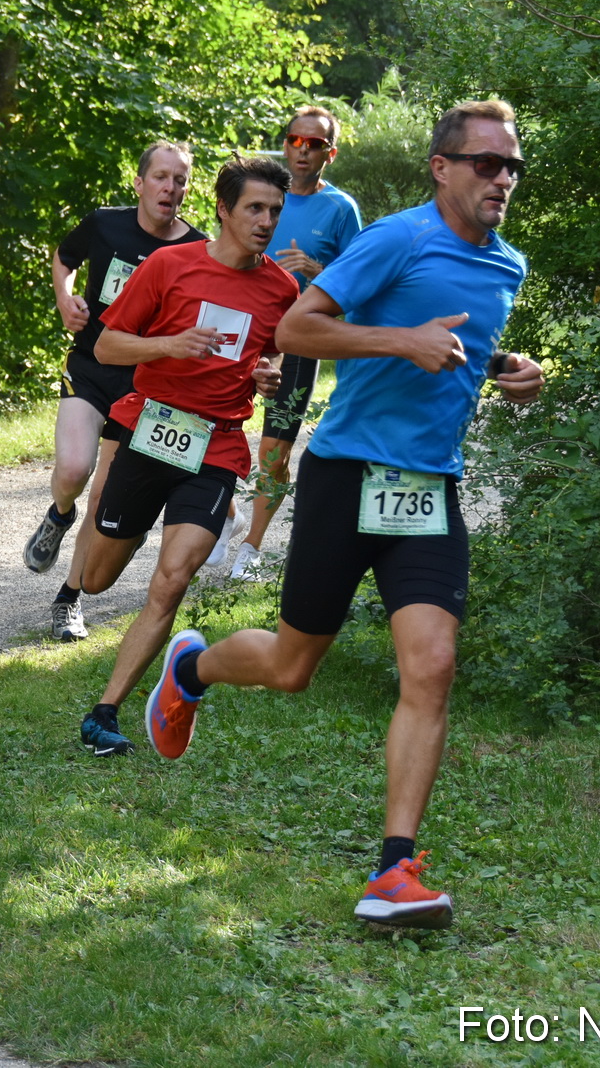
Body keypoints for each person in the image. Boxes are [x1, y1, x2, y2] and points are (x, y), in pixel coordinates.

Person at [140, 100, 545, 929]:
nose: (501, 178)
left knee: (431, 665)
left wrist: (509, 366)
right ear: (443, 167)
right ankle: (191, 669)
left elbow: (455, 345)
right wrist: (404, 342)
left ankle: (394, 871)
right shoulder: (396, 237)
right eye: (485, 163)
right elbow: (297, 327)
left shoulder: (507, 264)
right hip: (346, 472)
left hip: (427, 485)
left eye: (512, 167)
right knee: (294, 666)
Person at [75, 157, 299, 756]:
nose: (266, 221)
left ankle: (106, 711)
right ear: (224, 209)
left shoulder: (281, 288)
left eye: (275, 211)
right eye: (255, 208)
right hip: (149, 429)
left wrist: (266, 376)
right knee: (96, 581)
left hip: (217, 444)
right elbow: (107, 342)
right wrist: (169, 344)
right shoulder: (168, 265)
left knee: (173, 579)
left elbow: (268, 355)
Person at [25, 142, 209, 643]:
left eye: (181, 180)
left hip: (144, 385)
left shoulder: (195, 249)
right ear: (141, 183)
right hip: (91, 367)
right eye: (162, 178)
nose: (171, 188)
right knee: (72, 471)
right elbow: (63, 258)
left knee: (104, 490)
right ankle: (59, 515)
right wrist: (65, 297)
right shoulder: (104, 224)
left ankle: (68, 599)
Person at [228, 106, 363, 580]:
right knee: (211, 427)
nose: (302, 151)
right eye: (294, 141)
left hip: (298, 340)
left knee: (274, 451)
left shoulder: (341, 210)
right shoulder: (262, 196)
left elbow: (361, 293)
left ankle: (251, 547)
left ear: (331, 152)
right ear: (284, 143)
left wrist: (317, 273)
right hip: (240, 329)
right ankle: (227, 515)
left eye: (315, 144)